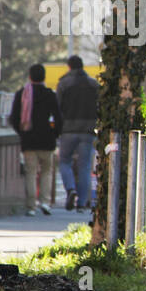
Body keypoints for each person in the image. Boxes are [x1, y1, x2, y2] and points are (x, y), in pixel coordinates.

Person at [9, 63, 62, 216]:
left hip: (29, 140)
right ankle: (45, 202)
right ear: (44, 77)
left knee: (30, 173)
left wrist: (22, 132)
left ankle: (31, 206)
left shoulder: (21, 94)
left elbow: (14, 118)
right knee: (46, 172)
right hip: (47, 140)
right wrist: (55, 134)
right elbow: (58, 118)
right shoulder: (50, 94)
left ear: (30, 76)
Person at [55, 55, 99, 211]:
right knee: (85, 166)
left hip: (68, 130)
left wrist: (57, 129)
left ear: (69, 67)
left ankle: (70, 188)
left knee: (64, 161)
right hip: (88, 131)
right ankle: (81, 203)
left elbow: (57, 108)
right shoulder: (93, 84)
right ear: (82, 67)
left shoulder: (63, 84)